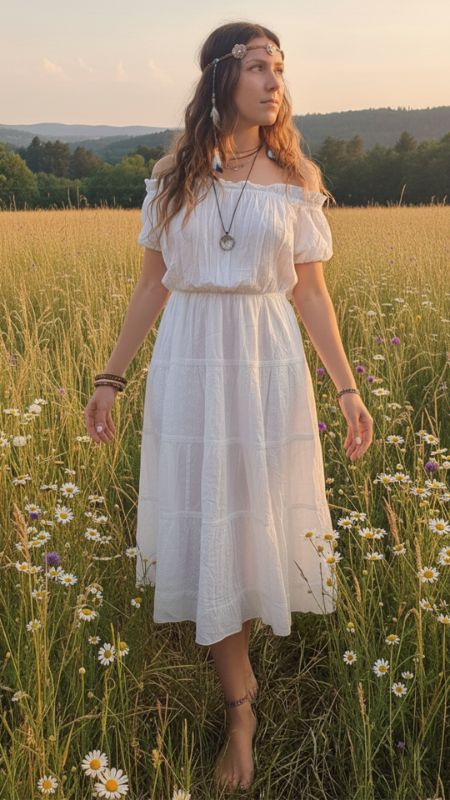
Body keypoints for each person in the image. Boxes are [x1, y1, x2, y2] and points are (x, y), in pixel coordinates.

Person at [84, 20, 373, 792]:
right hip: (190, 361)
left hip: (266, 362)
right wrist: (110, 377)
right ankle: (240, 708)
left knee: (253, 516)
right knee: (213, 517)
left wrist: (346, 388)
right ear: (220, 77)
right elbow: (154, 283)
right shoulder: (175, 171)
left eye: (279, 68)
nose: (274, 81)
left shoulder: (295, 177)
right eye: (256, 67)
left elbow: (312, 293)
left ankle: (240, 683)